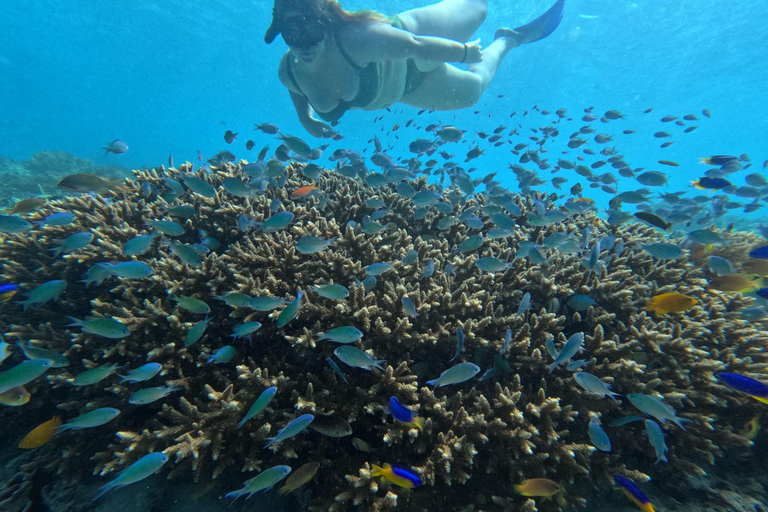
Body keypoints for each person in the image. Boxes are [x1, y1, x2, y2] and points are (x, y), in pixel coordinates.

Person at [265, 0, 565, 138]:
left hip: (411, 43)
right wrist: (306, 120)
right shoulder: (289, 71)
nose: (304, 45)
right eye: (292, 35)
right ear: (280, 33)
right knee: (472, 92)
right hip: (407, 88)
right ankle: (508, 40)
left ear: (326, 22)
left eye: (311, 30)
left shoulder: (356, 39)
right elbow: (295, 90)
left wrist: (464, 52)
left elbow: (417, 45)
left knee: (478, 9)